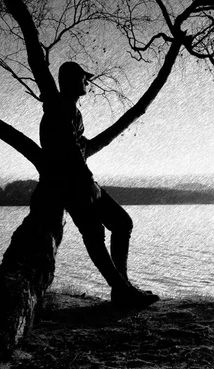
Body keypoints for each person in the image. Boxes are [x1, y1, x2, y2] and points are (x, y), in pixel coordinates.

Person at [38, 61, 159, 308]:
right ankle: (122, 289)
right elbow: (69, 151)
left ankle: (122, 288)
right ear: (72, 80)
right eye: (84, 78)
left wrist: (108, 138)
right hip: (72, 184)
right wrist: (89, 181)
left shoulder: (67, 109)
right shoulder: (62, 109)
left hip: (74, 181)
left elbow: (80, 147)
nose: (88, 82)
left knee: (119, 225)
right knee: (99, 232)